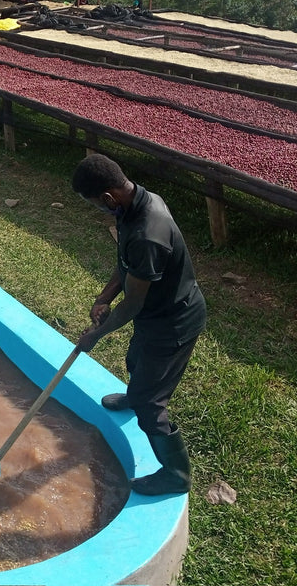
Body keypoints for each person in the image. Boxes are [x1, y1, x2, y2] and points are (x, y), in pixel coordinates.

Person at [71, 153, 205, 496]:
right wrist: (103, 298)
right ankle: (134, 394)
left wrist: (95, 336)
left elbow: (133, 302)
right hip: (155, 313)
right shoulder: (135, 203)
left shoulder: (149, 231)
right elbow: (127, 265)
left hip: (174, 320)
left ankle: (176, 474)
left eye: (95, 206)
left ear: (107, 198)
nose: (99, 211)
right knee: (135, 360)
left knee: (150, 404)